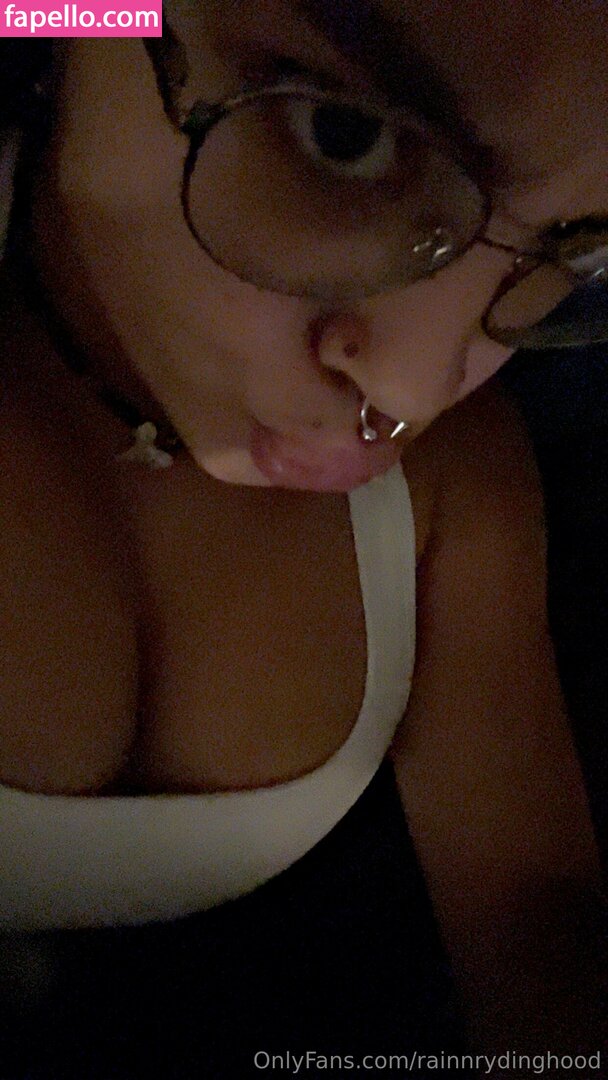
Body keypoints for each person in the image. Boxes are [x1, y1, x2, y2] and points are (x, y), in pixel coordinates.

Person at [0, 1, 606, 1074]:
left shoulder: (457, 480)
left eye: (584, 250)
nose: (413, 390)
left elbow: (528, 915)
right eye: (345, 134)